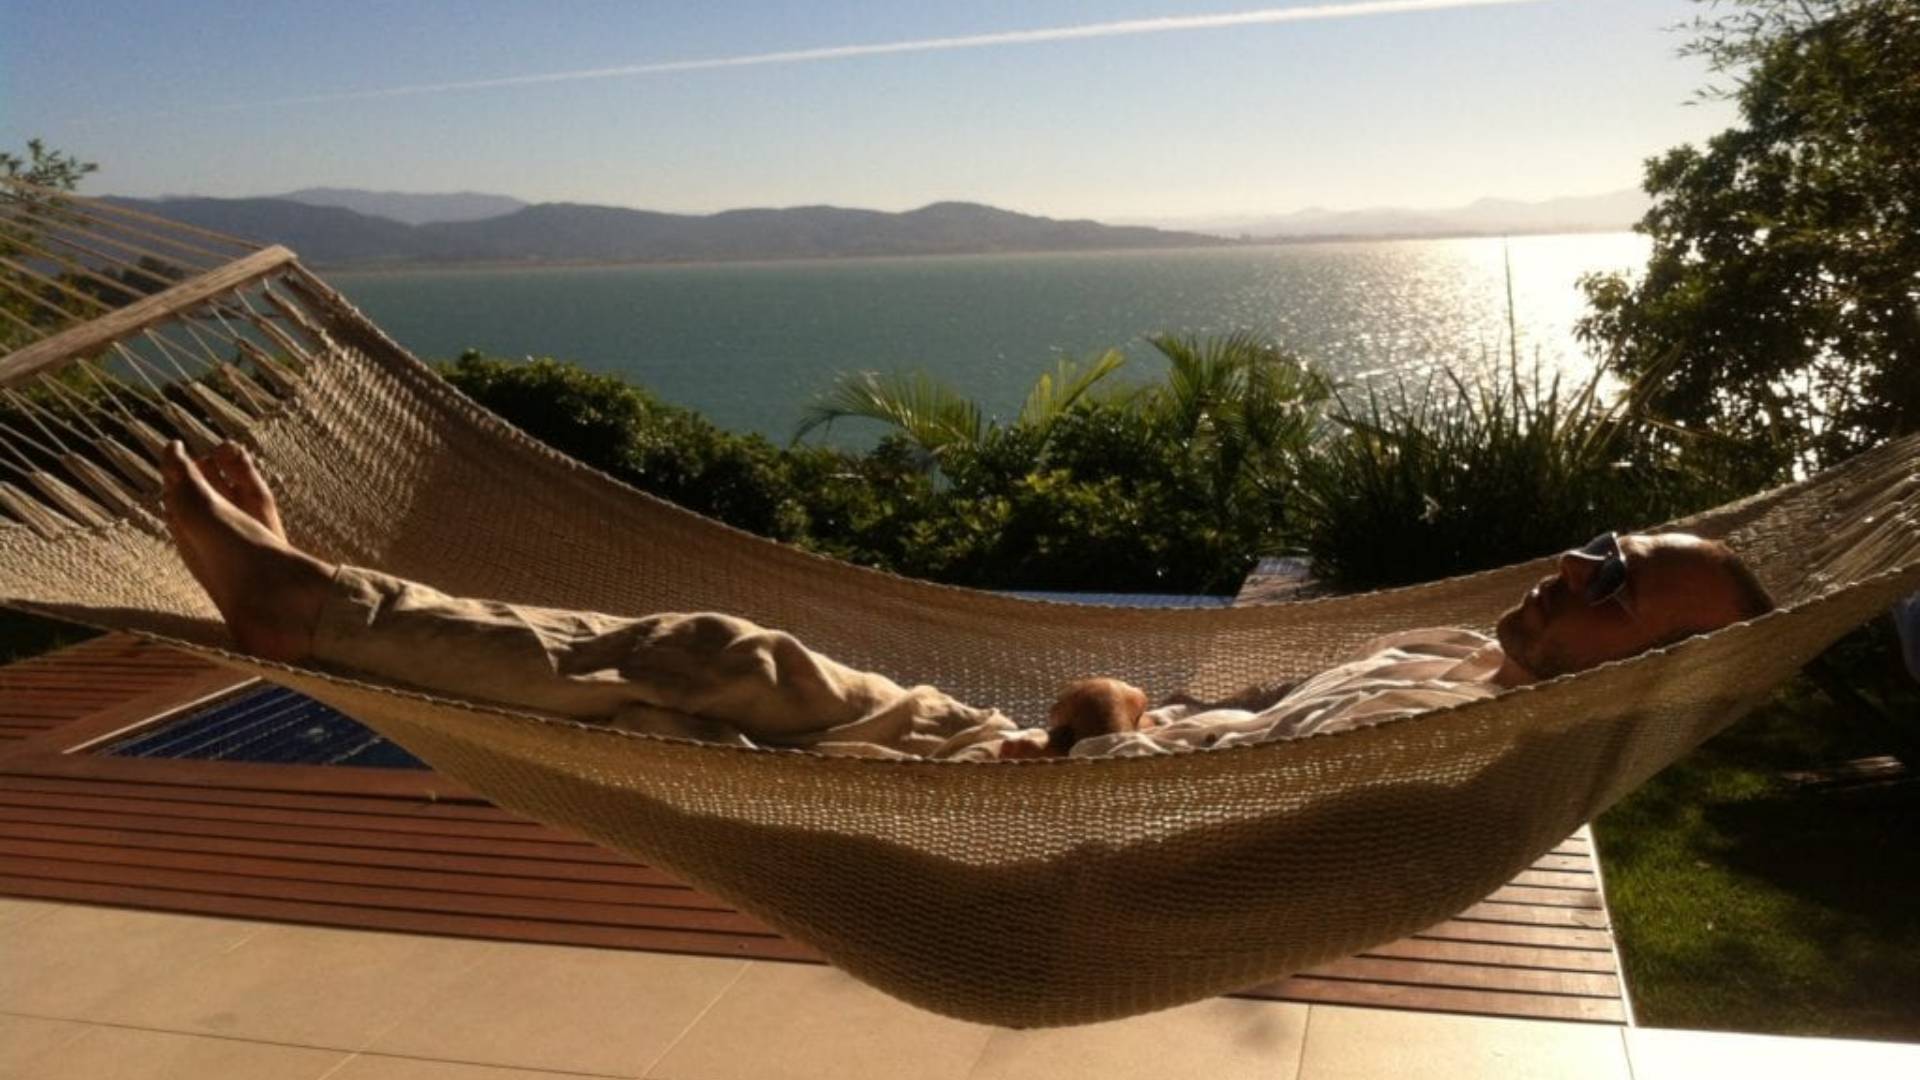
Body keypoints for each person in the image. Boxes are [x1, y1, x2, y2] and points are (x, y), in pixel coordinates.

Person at [160, 440, 1776, 762]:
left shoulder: (1459, 730)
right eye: (1612, 544)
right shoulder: (1444, 647)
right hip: (1020, 759)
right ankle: (328, 602)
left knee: (709, 657)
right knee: (681, 664)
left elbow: (1197, 792)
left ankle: (310, 611)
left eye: (1628, 585)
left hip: (1037, 796)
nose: (1587, 563)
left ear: (1663, 665)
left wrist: (1111, 713)